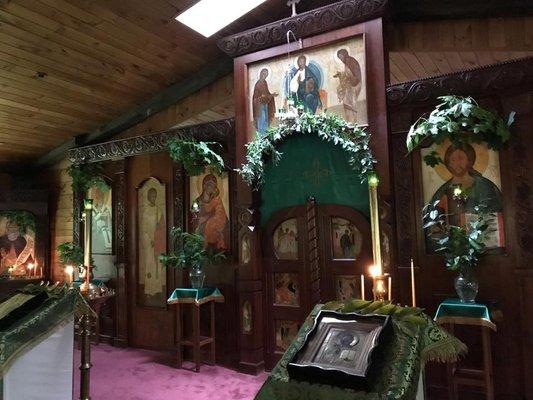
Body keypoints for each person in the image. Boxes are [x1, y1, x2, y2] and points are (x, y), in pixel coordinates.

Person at [427, 142, 503, 249]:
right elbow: (432, 223)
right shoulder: (442, 191)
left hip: (483, 245)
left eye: (461, 158)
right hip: (451, 247)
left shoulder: (484, 186)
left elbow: (493, 217)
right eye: (453, 159)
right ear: (448, 163)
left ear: (470, 160)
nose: (457, 163)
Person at [139, 187, 166, 303]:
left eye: (155, 196)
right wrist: (149, 239)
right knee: (150, 265)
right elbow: (143, 229)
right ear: (148, 197)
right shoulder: (145, 211)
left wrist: (158, 238)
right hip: (149, 242)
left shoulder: (159, 211)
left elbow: (162, 226)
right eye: (151, 196)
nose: (153, 198)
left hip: (158, 242)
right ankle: (149, 291)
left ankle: (158, 289)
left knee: (158, 266)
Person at [194, 174, 230, 251]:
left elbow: (221, 216)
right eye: (209, 185)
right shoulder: (197, 201)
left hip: (214, 226)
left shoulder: (216, 200)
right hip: (200, 226)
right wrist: (198, 218)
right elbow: (194, 213)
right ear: (204, 186)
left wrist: (207, 218)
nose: (210, 188)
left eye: (213, 186)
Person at [334, 49, 362, 123]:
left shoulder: (351, 61)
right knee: (345, 100)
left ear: (345, 54)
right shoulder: (347, 62)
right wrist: (340, 74)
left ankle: (354, 121)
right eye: (339, 58)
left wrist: (350, 81)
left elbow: (356, 76)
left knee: (350, 102)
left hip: (355, 85)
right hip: (350, 85)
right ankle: (349, 121)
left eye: (341, 57)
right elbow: (347, 74)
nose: (341, 59)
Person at [252, 68, 278, 136]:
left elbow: (266, 93)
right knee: (262, 118)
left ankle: (265, 135)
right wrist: (271, 95)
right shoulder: (259, 83)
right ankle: (261, 136)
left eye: (266, 74)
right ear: (261, 74)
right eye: (264, 74)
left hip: (264, 103)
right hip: (259, 104)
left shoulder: (264, 82)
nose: (265, 75)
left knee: (265, 119)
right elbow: (263, 95)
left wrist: (271, 95)